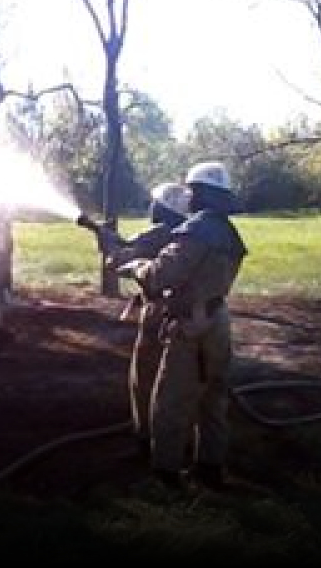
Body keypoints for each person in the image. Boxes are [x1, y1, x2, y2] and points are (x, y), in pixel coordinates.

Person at [116, 161, 247, 491]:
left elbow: (161, 275)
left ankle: (166, 473)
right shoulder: (229, 233)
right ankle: (210, 468)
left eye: (192, 190)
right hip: (218, 320)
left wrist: (137, 267)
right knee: (213, 399)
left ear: (201, 193)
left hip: (190, 325)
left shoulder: (196, 231)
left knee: (171, 399)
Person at [98, 182, 193, 460]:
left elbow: (119, 261)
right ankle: (185, 437)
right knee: (183, 377)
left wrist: (107, 243)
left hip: (158, 313)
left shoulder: (158, 233)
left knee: (145, 376)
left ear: (163, 208)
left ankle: (147, 437)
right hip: (188, 314)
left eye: (155, 204)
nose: (151, 208)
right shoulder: (189, 234)